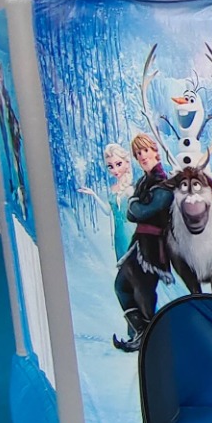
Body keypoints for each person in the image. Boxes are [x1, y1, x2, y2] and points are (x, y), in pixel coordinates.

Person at [112, 134, 173, 352]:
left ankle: (151, 340)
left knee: (143, 290)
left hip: (154, 246)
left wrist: (138, 204)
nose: (143, 156)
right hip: (139, 243)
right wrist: (138, 205)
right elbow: (131, 213)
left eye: (146, 150)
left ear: (155, 151)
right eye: (138, 153)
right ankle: (141, 332)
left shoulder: (163, 182)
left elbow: (142, 210)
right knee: (122, 285)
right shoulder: (143, 182)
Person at [85, 142, 135, 259]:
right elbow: (108, 211)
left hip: (131, 233)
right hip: (119, 236)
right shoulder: (113, 189)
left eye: (118, 164)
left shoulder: (130, 190)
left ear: (126, 163)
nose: (115, 170)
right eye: (110, 166)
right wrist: (94, 195)